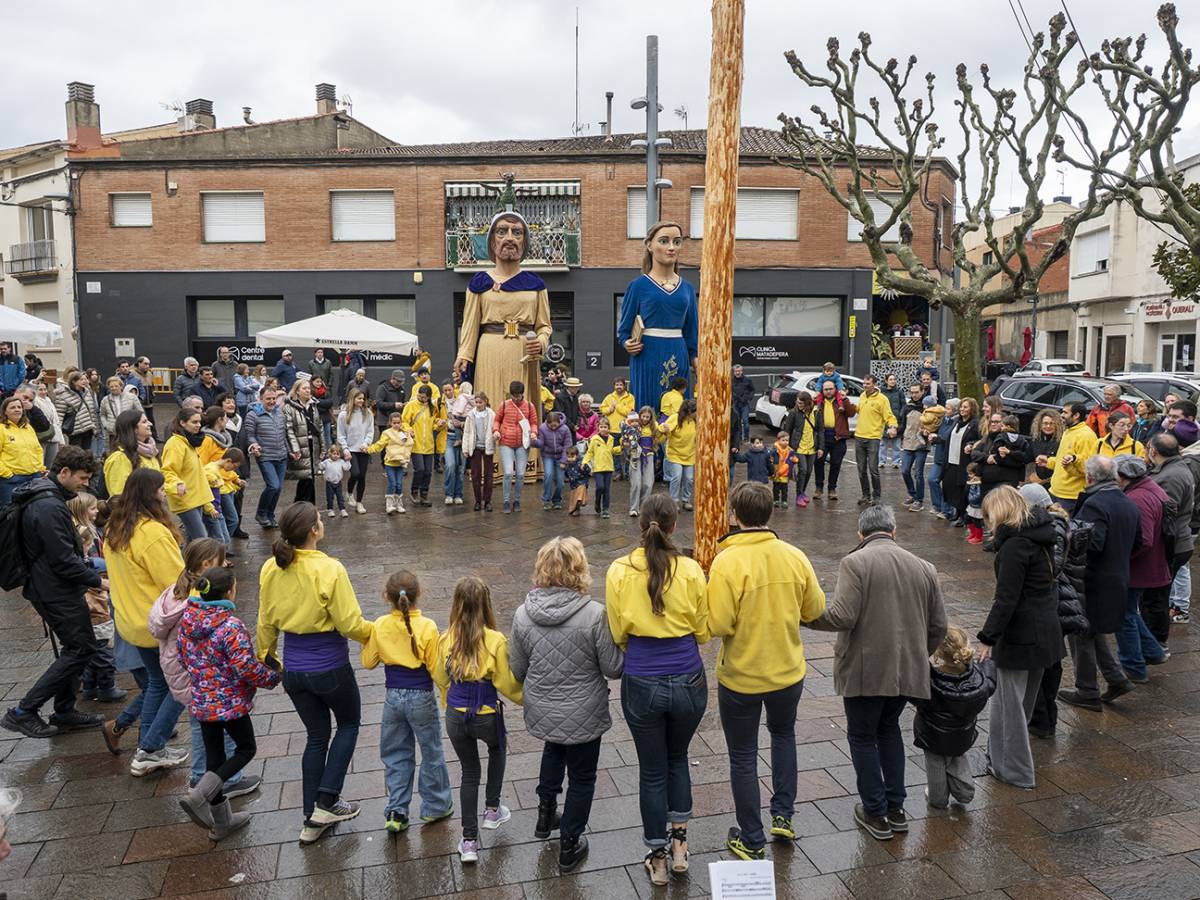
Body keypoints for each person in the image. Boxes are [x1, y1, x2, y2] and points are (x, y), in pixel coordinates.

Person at [808, 504, 947, 841]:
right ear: (893, 530)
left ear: (861, 534)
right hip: (906, 671)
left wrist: (804, 614)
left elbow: (841, 616)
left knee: (862, 736)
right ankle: (896, 808)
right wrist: (917, 655)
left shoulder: (855, 562)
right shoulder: (924, 567)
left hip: (864, 670)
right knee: (888, 731)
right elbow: (939, 626)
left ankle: (875, 811)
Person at [708, 482, 826, 860]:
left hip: (741, 673)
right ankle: (784, 816)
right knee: (783, 736)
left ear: (734, 516)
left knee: (742, 754)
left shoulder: (727, 562)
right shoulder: (794, 556)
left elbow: (719, 623)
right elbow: (814, 609)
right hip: (787, 670)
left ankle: (751, 837)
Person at [606, 494, 710, 885]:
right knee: (678, 758)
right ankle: (681, 846)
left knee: (651, 770)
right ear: (673, 527)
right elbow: (702, 630)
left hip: (642, 677)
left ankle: (657, 856)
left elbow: (617, 632)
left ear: (641, 525)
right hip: (687, 674)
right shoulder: (691, 569)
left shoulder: (619, 570)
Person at [257, 501, 373, 845]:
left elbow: (265, 621)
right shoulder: (330, 569)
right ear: (314, 530)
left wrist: (268, 658)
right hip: (329, 666)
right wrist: (379, 635)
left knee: (316, 737)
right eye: (319, 520)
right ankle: (327, 800)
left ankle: (311, 818)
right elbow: (350, 624)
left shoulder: (270, 568)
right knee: (349, 723)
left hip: (294, 670)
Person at [510, 537, 624, 873]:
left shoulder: (521, 614)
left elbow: (516, 669)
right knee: (583, 777)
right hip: (584, 710)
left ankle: (545, 815)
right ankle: (570, 843)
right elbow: (613, 668)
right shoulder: (594, 614)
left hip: (544, 706)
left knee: (554, 749)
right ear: (580, 569)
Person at [0, 447, 106, 738]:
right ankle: (23, 711)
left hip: (52, 585)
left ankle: (64, 711)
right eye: (81, 478)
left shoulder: (50, 498)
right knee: (81, 648)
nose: (84, 484)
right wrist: (97, 581)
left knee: (78, 647)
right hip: (54, 588)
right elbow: (62, 559)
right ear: (64, 473)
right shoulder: (48, 506)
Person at [176, 566, 279, 840]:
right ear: (230, 591)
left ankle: (222, 823)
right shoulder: (230, 625)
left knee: (215, 759)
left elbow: (182, 658)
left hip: (202, 701)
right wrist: (272, 678)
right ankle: (200, 794)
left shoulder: (188, 618)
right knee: (246, 749)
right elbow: (245, 667)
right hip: (229, 703)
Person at [147, 537, 255, 796]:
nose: (227, 566)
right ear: (207, 564)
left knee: (203, 727)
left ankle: (205, 781)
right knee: (222, 732)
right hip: (201, 680)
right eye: (223, 562)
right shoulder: (199, 604)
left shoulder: (176, 589)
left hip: (184, 673)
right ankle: (214, 781)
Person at [103, 468, 191, 774]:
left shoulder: (115, 528)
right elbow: (178, 583)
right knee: (183, 686)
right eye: (160, 489)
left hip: (132, 622)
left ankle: (152, 748)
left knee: (158, 683)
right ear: (148, 494)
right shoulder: (152, 533)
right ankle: (149, 748)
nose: (164, 493)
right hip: (159, 625)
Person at [432, 576, 524, 865]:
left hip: (456, 716)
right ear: (486, 604)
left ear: (456, 605)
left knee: (469, 772)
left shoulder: (446, 638)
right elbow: (507, 684)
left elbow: (439, 674)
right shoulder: (495, 640)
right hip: (486, 715)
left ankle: (469, 842)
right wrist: (527, 700)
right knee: (497, 749)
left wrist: (450, 696)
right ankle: (493, 809)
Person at [976, 486, 1063, 788]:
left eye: (988, 515)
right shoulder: (1041, 534)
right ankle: (1004, 761)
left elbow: (1006, 599)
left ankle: (1013, 770)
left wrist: (987, 637)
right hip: (1045, 630)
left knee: (1008, 708)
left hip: (1021, 634)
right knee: (1022, 706)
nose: (987, 522)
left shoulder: (1015, 546)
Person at [361, 570, 453, 834]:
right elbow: (436, 670)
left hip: (393, 697)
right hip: (421, 696)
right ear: (419, 594)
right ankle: (436, 806)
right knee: (431, 750)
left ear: (385, 596)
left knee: (395, 754)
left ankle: (397, 810)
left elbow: (368, 662)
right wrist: (447, 690)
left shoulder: (380, 624)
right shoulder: (427, 627)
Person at [453, 210, 552, 422]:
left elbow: (544, 326)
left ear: (524, 242)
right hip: (490, 351)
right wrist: (464, 355)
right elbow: (469, 325)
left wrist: (542, 342)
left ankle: (529, 455)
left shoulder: (536, 284)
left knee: (523, 411)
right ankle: (492, 455)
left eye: (517, 232)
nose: (509, 238)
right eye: (502, 231)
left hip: (524, 354)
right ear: (491, 242)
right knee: (491, 405)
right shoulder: (479, 283)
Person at [1059, 456, 1140, 711]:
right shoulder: (1127, 501)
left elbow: (1092, 543)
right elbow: (1139, 542)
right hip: (1117, 576)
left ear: (1089, 477)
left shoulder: (1095, 504)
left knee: (1080, 631)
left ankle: (1087, 690)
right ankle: (1116, 678)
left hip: (1093, 580)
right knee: (1092, 630)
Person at [1019, 483, 1090, 741]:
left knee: (1047, 664)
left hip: (1055, 602)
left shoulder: (1053, 527)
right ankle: (1044, 718)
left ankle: (1042, 720)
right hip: (1057, 600)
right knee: (1049, 662)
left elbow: (1053, 568)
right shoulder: (1056, 522)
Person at [617, 221, 698, 418]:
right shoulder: (638, 286)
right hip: (647, 355)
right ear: (649, 245)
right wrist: (627, 343)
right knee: (648, 413)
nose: (671, 247)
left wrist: (697, 364)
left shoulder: (687, 288)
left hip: (677, 354)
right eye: (664, 241)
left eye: (676, 242)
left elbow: (692, 332)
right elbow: (624, 330)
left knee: (678, 412)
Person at [915, 626, 996, 808]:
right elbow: (990, 683)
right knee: (957, 757)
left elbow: (914, 694)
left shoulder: (930, 683)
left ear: (937, 653)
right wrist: (987, 663)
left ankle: (937, 798)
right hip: (962, 734)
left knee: (935, 763)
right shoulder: (978, 680)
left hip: (932, 735)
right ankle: (964, 791)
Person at [1114, 455, 1171, 682]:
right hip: (1148, 566)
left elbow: (1144, 540)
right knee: (1129, 612)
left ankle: (1134, 668)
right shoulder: (1149, 487)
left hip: (1138, 569)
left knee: (1122, 616)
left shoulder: (1138, 498)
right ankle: (1153, 652)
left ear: (1123, 476)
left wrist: (1120, 558)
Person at [1146, 433, 1195, 644]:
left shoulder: (1171, 475)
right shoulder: (1173, 469)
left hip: (1173, 544)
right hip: (1176, 541)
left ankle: (1157, 643)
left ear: (1153, 451)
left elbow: (1166, 514)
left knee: (1156, 597)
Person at [162, 407, 221, 542]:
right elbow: (168, 471)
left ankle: (186, 563)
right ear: (182, 423)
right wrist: (176, 485)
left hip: (196, 497)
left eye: (199, 422)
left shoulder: (190, 442)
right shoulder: (175, 444)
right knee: (201, 539)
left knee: (192, 541)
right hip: (186, 499)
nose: (198, 425)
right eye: (194, 422)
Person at [1039, 401, 1096, 513]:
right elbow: (1064, 460)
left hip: (1070, 497)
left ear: (1076, 415)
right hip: (1055, 491)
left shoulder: (1086, 436)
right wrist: (1049, 462)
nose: (1061, 415)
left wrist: (1075, 460)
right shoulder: (1068, 431)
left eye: (1065, 412)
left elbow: (1087, 468)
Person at [245, 387, 290, 527]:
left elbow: (284, 435)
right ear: (260, 399)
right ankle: (261, 513)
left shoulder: (280, 413)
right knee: (273, 485)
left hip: (282, 455)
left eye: (273, 398)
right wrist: (254, 445)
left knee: (278, 488)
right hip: (265, 456)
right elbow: (249, 435)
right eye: (268, 399)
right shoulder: (253, 415)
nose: (271, 401)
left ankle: (270, 515)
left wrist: (290, 451)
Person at [492, 380, 537, 514]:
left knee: (521, 474)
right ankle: (506, 501)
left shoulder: (529, 406)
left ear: (522, 394)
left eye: (518, 396)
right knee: (507, 473)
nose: (515, 398)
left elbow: (534, 422)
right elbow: (497, 420)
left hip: (523, 443)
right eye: (513, 396)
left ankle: (516, 500)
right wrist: (495, 430)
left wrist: (534, 433)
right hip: (506, 442)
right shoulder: (504, 405)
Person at [854, 375, 898, 506]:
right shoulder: (862, 396)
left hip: (873, 437)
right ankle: (865, 495)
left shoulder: (882, 399)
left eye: (868, 384)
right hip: (859, 436)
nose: (865, 386)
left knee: (873, 469)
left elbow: (889, 416)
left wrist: (893, 426)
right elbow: (858, 410)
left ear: (874, 384)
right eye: (864, 383)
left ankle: (877, 496)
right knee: (861, 469)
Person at [813, 380, 856, 502]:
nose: (828, 391)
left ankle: (832, 489)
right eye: (826, 389)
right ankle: (819, 488)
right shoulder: (818, 402)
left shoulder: (841, 401)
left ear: (835, 389)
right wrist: (811, 399)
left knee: (836, 464)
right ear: (822, 390)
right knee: (819, 462)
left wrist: (845, 399)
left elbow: (851, 413)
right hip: (822, 438)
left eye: (830, 389)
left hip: (838, 437)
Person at [284, 379, 324, 505]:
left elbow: (319, 427)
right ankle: (304, 506)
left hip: (313, 444)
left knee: (310, 477)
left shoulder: (313, 405)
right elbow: (288, 429)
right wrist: (295, 448)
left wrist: (323, 447)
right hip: (301, 446)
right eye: (304, 388)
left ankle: (307, 506)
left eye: (308, 388)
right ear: (297, 391)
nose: (308, 390)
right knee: (305, 477)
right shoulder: (289, 407)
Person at [0, 394, 46, 505]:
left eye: (19, 407)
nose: (17, 410)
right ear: (5, 411)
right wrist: (7, 474)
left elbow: (38, 450)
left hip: (34, 478)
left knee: (33, 511)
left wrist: (40, 468)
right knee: (11, 514)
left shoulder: (28, 428)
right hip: (12, 480)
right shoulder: (1, 429)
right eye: (12, 407)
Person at [972, 413, 1032, 497]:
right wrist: (986, 458)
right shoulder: (987, 438)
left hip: (1007, 483)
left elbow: (1024, 459)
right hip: (987, 483)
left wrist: (1002, 458)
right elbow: (974, 454)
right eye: (992, 421)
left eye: (997, 422)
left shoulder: (1012, 439)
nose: (993, 424)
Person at [103, 410, 160, 498]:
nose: (150, 424)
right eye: (144, 422)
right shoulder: (119, 458)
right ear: (133, 429)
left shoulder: (151, 452)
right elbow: (119, 495)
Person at [367, 411, 414, 515]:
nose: (397, 425)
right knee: (392, 483)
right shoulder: (387, 433)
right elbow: (380, 444)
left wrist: (411, 435)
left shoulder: (404, 433)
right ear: (390, 423)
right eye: (394, 423)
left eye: (398, 422)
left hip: (401, 463)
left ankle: (398, 504)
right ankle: (389, 505)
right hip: (390, 463)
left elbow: (409, 444)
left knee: (399, 484)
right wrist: (369, 449)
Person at [401, 384, 440, 508]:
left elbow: (433, 425)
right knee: (420, 469)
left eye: (424, 397)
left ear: (429, 397)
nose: (421, 399)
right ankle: (414, 491)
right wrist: (408, 430)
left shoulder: (432, 408)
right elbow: (403, 421)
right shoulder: (411, 405)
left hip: (428, 444)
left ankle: (424, 494)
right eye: (420, 396)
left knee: (428, 471)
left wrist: (439, 423)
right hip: (415, 443)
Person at [780, 391, 818, 507]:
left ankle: (802, 492)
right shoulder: (793, 413)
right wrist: (786, 447)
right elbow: (787, 430)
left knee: (809, 471)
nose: (798, 405)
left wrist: (820, 447)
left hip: (812, 447)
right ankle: (799, 495)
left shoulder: (816, 412)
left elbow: (820, 430)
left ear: (807, 403)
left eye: (801, 403)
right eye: (797, 402)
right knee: (803, 470)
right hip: (798, 446)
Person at [659, 398, 697, 509]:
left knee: (689, 478)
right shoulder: (675, 418)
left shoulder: (695, 421)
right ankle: (674, 500)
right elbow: (664, 427)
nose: (697, 414)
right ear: (689, 412)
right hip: (675, 454)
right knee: (677, 476)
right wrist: (665, 429)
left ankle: (686, 500)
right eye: (695, 411)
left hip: (689, 454)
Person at [463, 392, 496, 512]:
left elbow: (494, 428)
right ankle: (477, 500)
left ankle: (487, 501)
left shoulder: (491, 414)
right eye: (476, 402)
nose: (478, 404)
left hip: (487, 447)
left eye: (480, 402)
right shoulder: (471, 415)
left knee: (488, 475)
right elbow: (467, 432)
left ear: (485, 402)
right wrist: (466, 448)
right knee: (475, 475)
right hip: (475, 447)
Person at [928, 397, 960, 520]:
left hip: (948, 458)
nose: (945, 410)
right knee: (932, 479)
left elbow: (947, 437)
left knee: (947, 485)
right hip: (939, 457)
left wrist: (936, 438)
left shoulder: (955, 422)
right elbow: (936, 431)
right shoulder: (944, 420)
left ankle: (947, 510)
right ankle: (937, 505)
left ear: (955, 410)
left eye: (948, 408)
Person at [898, 383, 928, 510]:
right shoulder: (907, 407)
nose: (914, 395)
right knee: (905, 470)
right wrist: (895, 431)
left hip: (921, 444)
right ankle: (912, 494)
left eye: (916, 392)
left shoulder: (928, 407)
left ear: (922, 392)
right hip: (908, 443)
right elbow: (903, 425)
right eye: (912, 392)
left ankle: (919, 500)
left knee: (918, 473)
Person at [624, 406, 658, 517]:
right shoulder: (633, 425)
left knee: (648, 483)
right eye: (643, 416)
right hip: (635, 456)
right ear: (639, 416)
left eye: (647, 417)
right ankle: (634, 508)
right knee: (636, 483)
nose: (645, 419)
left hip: (648, 456)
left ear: (651, 417)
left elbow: (661, 438)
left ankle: (644, 507)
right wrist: (623, 444)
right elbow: (624, 437)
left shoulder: (654, 427)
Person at [54, 369, 100, 449]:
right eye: (81, 379)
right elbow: (59, 415)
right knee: (76, 455)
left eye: (85, 379)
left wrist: (95, 428)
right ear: (73, 381)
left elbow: (92, 411)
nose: (84, 381)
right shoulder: (63, 395)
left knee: (87, 454)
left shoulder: (87, 392)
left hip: (88, 429)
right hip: (75, 431)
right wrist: (59, 435)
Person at [601, 378, 637, 478]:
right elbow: (602, 409)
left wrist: (617, 406)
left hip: (626, 429)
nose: (619, 387)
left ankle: (627, 473)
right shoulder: (609, 397)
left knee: (627, 452)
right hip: (612, 429)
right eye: (617, 385)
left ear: (624, 386)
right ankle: (618, 472)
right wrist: (610, 409)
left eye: (620, 385)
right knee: (615, 452)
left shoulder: (630, 397)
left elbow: (630, 412)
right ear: (614, 386)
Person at [582, 417, 616, 518]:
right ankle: (597, 501)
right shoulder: (594, 439)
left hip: (609, 467)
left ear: (609, 428)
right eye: (601, 427)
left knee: (606, 489)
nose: (603, 429)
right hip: (598, 468)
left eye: (605, 427)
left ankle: (605, 509)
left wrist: (622, 447)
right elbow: (590, 452)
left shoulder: (611, 439)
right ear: (598, 428)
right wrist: (584, 461)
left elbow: (613, 450)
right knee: (600, 487)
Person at [538, 410, 572, 511]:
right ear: (547, 423)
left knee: (561, 481)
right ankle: (546, 499)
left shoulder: (565, 429)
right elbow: (541, 443)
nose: (553, 427)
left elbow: (567, 445)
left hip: (560, 456)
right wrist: (533, 441)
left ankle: (557, 499)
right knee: (548, 475)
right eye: (551, 425)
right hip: (547, 455)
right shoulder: (542, 428)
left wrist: (563, 461)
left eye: (555, 425)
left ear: (559, 422)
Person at [99, 376, 142, 442]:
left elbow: (140, 413)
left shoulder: (132, 397)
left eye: (116, 386)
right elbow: (102, 414)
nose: (114, 388)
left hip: (129, 432)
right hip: (113, 433)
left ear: (121, 386)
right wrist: (106, 425)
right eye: (111, 386)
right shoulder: (105, 400)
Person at [1028, 409, 1062, 484]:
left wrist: (1046, 480)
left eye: (1052, 423)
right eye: (1045, 423)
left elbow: (1062, 463)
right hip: (1038, 479)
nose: (1048, 426)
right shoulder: (1036, 439)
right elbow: (1027, 457)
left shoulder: (1062, 440)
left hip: (1055, 482)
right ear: (1040, 424)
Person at [766, 432, 799, 509]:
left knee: (784, 488)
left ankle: (784, 501)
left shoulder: (790, 450)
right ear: (778, 440)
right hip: (776, 472)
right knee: (776, 487)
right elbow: (769, 457)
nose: (785, 442)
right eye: (783, 440)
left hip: (785, 473)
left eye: (787, 440)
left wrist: (794, 460)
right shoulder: (775, 450)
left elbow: (795, 459)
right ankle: (776, 500)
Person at [879, 373, 904, 467]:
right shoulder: (881, 392)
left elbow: (903, 404)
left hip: (896, 421)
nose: (893, 381)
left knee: (896, 444)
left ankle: (896, 462)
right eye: (890, 379)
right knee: (883, 444)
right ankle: (881, 461)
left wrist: (900, 415)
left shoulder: (899, 392)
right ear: (886, 381)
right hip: (884, 421)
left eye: (894, 379)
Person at [375, 369, 407, 436]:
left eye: (401, 382)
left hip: (396, 422)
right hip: (384, 422)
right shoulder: (382, 388)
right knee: (384, 443)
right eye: (398, 381)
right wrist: (394, 405)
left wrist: (404, 405)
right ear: (392, 378)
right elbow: (379, 403)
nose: (400, 383)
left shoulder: (402, 389)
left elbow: (403, 402)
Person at [730, 364, 755, 445]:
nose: (737, 373)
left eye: (739, 371)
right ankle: (739, 439)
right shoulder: (731, 381)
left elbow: (752, 390)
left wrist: (748, 398)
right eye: (736, 371)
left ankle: (746, 438)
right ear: (734, 372)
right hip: (735, 404)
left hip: (744, 404)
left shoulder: (747, 380)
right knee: (737, 422)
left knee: (745, 421)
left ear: (742, 371)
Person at [564, 446, 589, 516]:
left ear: (577, 455)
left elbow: (588, 471)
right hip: (573, 484)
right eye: (569, 457)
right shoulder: (568, 465)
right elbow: (566, 474)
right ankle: (575, 509)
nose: (570, 459)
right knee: (573, 499)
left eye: (572, 457)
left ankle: (579, 501)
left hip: (581, 482)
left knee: (579, 496)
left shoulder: (581, 463)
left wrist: (584, 467)